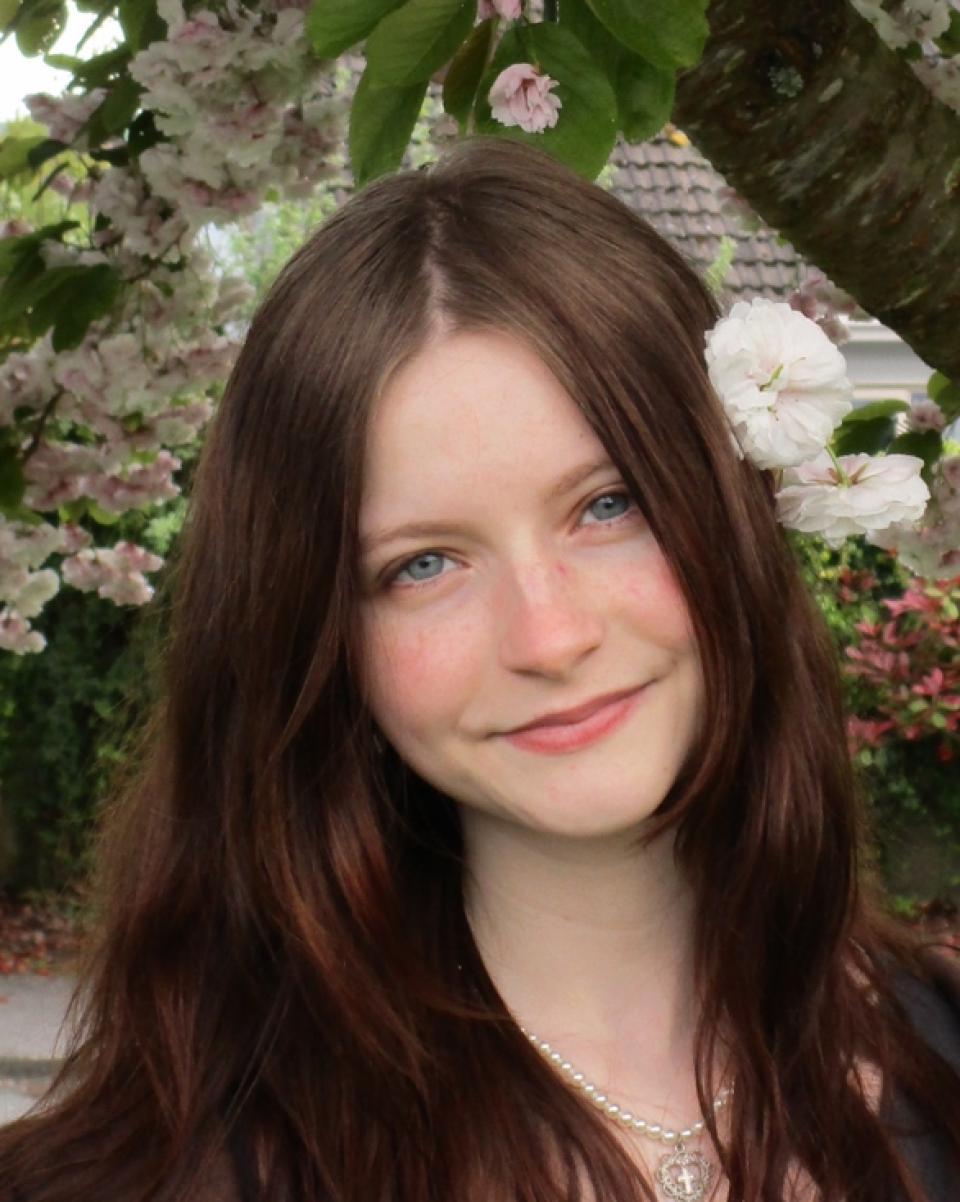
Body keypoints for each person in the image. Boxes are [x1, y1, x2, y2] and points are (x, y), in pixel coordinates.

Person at [2, 135, 959, 1202]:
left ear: (731, 506)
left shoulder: (942, 1059)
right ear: (313, 637)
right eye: (422, 564)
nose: (549, 637)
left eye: (609, 504)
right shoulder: (155, 1175)